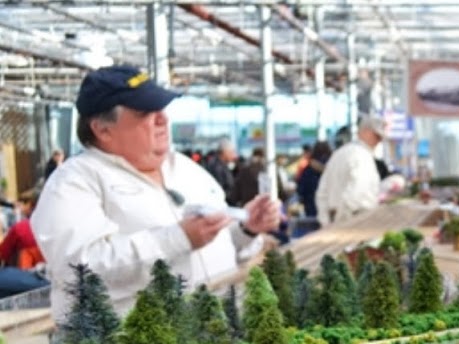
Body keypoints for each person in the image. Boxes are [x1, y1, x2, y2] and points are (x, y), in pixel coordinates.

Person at [31, 65, 280, 322]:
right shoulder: (74, 182)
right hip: (133, 343)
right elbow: (79, 270)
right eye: (144, 112)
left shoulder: (185, 169)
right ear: (102, 129)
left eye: (161, 108)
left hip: (217, 331)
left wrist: (247, 230)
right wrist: (178, 239)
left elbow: (217, 249)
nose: (162, 119)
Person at [315, 114, 386, 226]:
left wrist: (325, 222)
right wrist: (342, 219)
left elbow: (322, 192)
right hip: (355, 221)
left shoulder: (340, 153)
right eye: (376, 136)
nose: (379, 141)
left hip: (336, 218)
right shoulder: (362, 156)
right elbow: (357, 194)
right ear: (365, 132)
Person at [0, 190, 45, 271]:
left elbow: (3, 253)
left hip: (24, 272)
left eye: (24, 203)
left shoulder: (20, 228)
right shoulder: (53, 226)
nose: (21, 206)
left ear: (32, 205)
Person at [296, 140, 332, 219]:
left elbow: (301, 188)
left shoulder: (308, 169)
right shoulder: (334, 167)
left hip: (311, 205)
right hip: (331, 206)